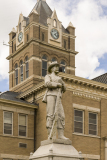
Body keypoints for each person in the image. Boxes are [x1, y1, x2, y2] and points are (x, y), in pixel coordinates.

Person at [42, 61, 68, 140]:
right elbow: (47, 84)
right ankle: (51, 135)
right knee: (50, 115)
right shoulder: (48, 76)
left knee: (61, 115)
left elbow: (65, 89)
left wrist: (62, 84)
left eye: (57, 66)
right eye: (55, 66)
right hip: (51, 96)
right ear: (52, 68)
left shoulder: (60, 78)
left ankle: (60, 135)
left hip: (58, 97)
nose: (57, 68)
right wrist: (57, 84)